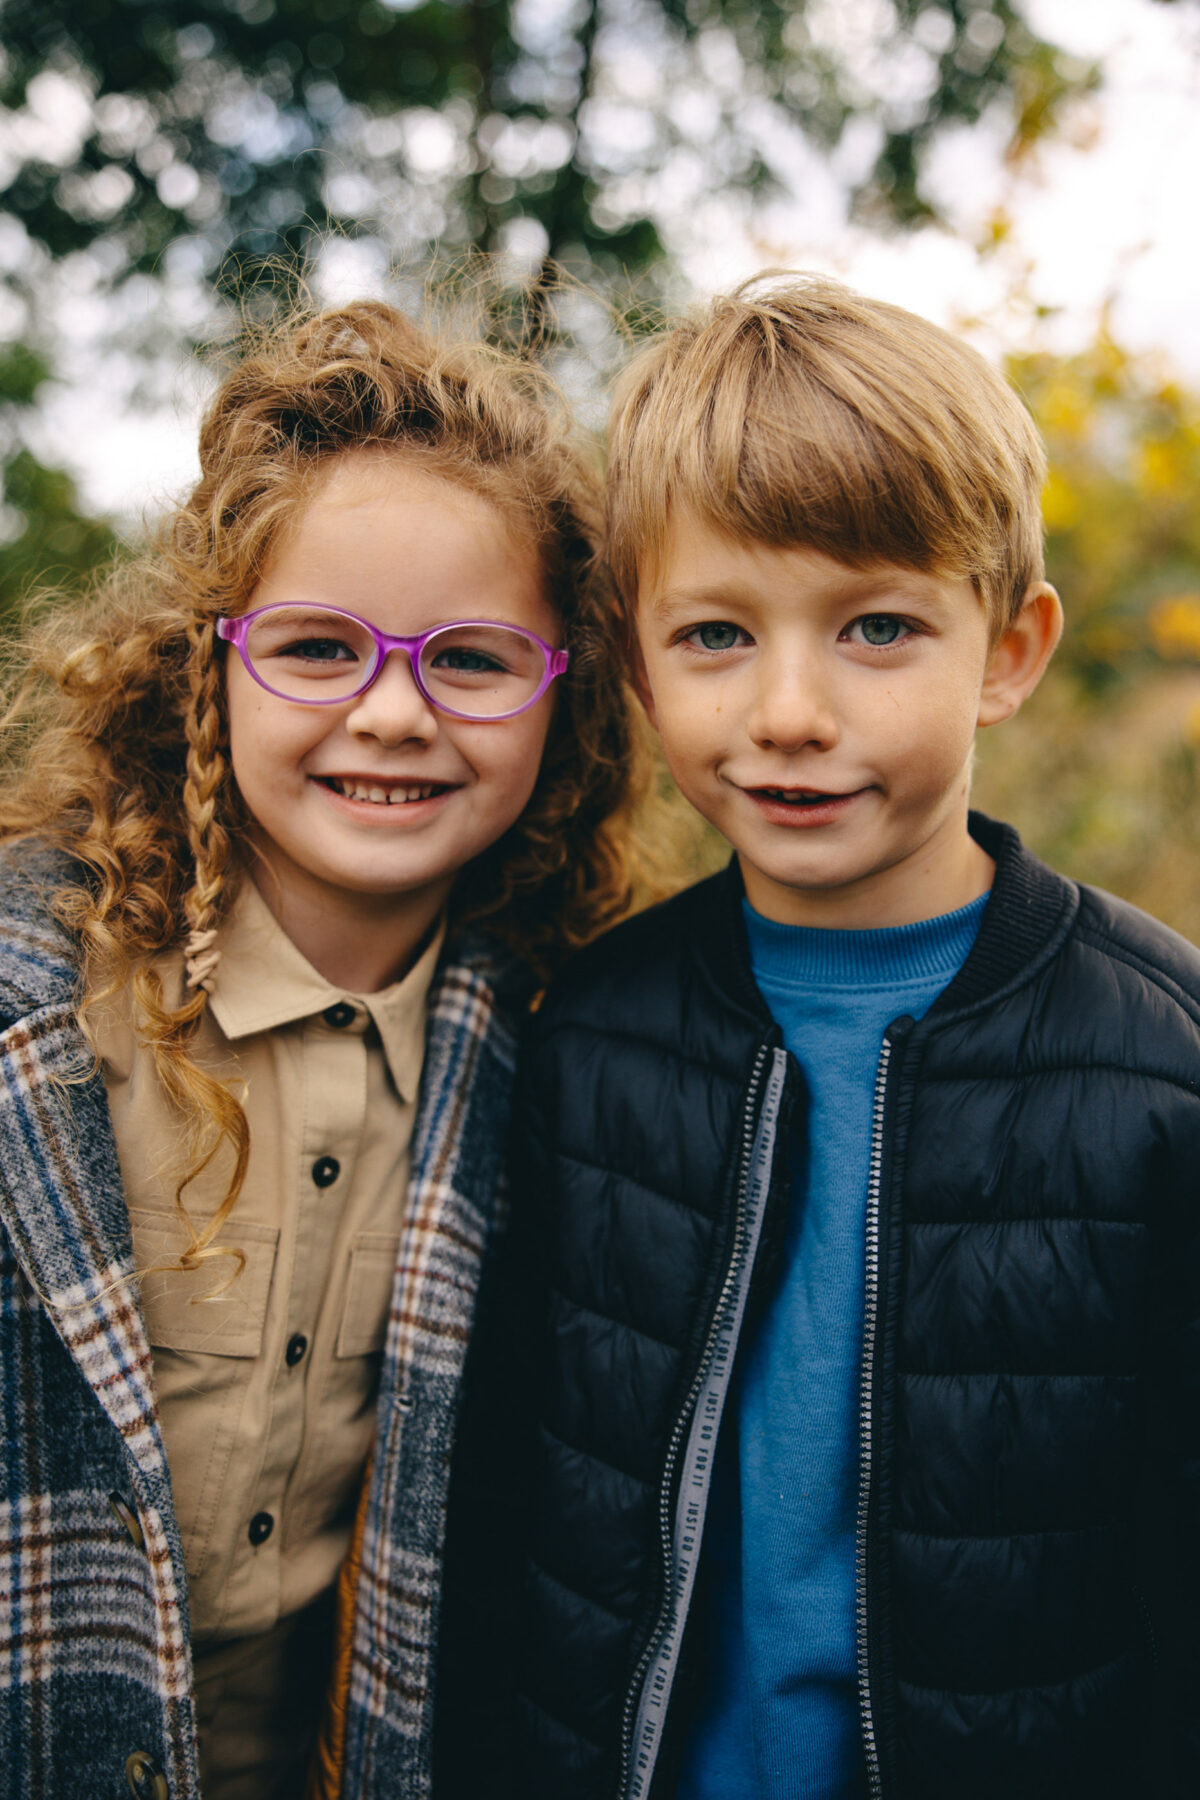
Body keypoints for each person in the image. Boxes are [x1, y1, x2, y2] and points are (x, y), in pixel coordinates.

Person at [512, 277, 1200, 1800]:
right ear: (635, 665)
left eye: (877, 626)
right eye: (714, 636)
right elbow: (526, 1522)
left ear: (1008, 651)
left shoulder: (1159, 1062)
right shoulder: (591, 1039)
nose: (790, 710)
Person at [0, 296, 644, 1800]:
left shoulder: (545, 1057)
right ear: (204, 660)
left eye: (474, 661)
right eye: (315, 647)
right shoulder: (40, 1019)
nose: (395, 712)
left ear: (568, 693)